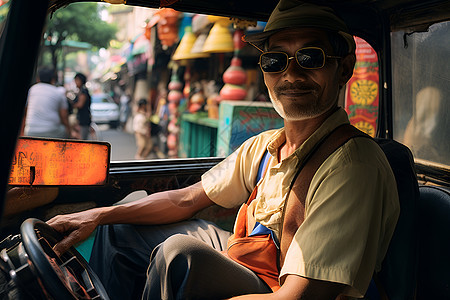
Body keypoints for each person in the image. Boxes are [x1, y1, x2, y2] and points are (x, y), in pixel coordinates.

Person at [47, 1, 400, 299]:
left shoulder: (353, 166)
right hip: (251, 259)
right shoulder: (264, 146)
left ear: (344, 70)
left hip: (283, 287)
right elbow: (186, 199)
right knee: (120, 224)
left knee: (177, 256)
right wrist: (101, 214)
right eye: (276, 60)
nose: (291, 74)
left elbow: (297, 296)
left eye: (310, 57)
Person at [23, 67, 70, 138]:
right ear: (53, 79)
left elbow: (26, 111)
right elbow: (64, 116)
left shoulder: (32, 89)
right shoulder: (58, 92)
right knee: (63, 131)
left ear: (38, 79)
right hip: (52, 130)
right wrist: (69, 130)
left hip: (31, 130)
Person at [72, 73, 91, 140]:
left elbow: (80, 104)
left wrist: (72, 104)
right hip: (82, 118)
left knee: (82, 140)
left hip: (84, 119)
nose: (75, 82)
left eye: (76, 80)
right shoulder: (80, 91)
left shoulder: (83, 91)